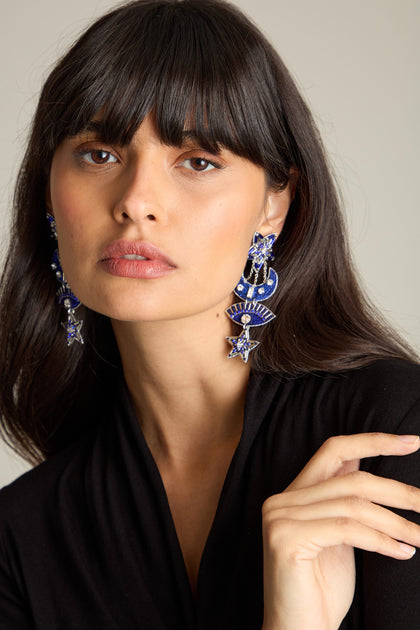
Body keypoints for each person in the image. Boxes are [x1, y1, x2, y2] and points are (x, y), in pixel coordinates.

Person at [0, 0, 419, 628]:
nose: (137, 202)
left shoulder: (392, 434)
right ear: (49, 192)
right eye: (99, 154)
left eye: (198, 162)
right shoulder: (21, 537)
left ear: (275, 204)